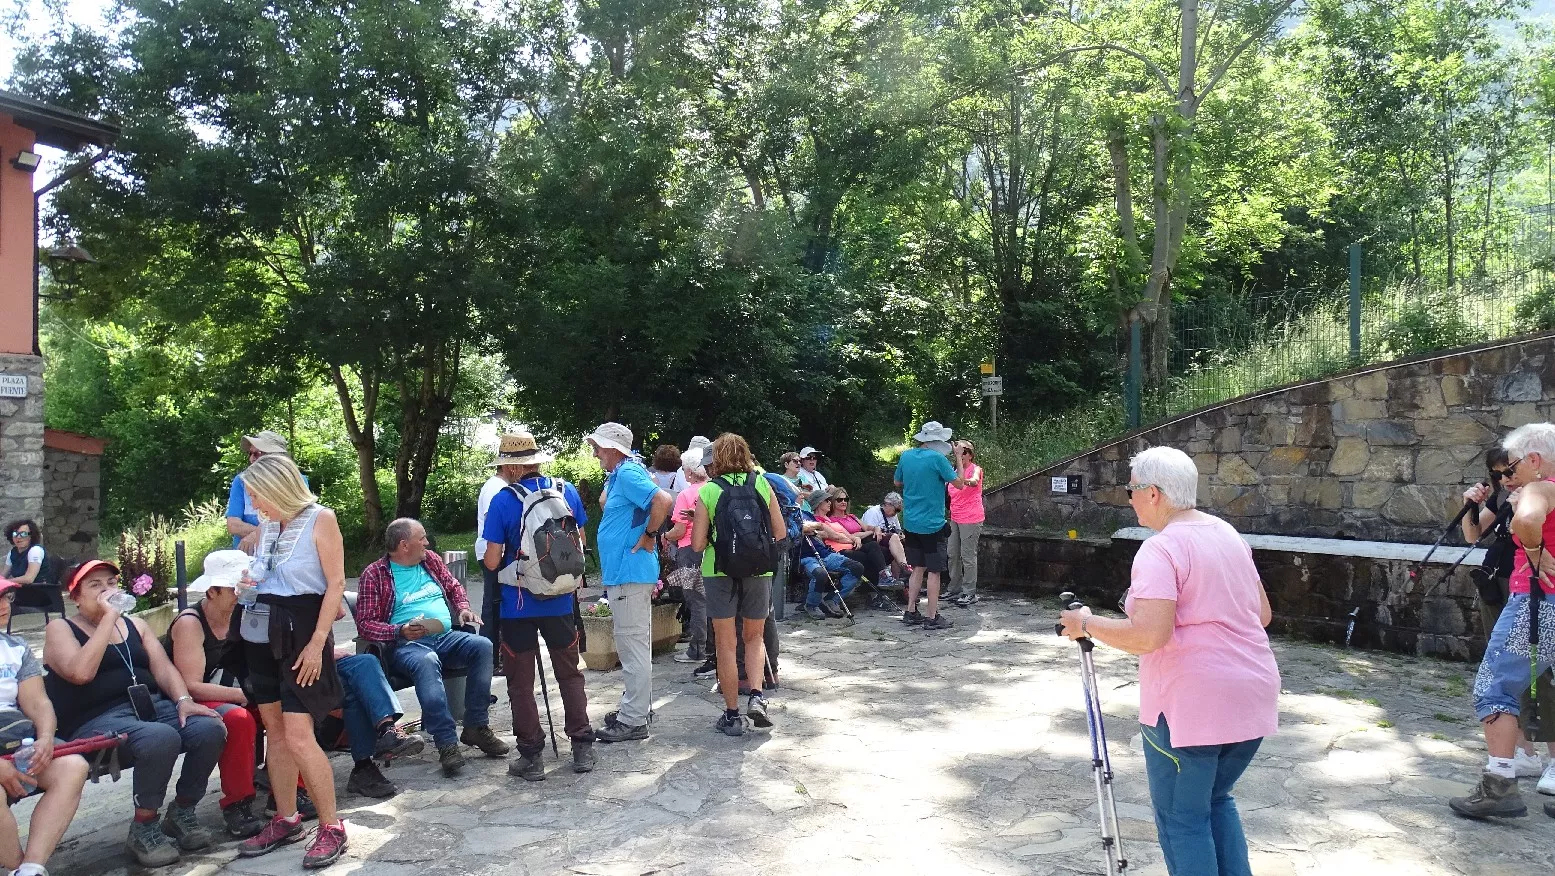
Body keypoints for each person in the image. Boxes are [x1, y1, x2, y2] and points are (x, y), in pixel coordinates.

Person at [1059, 445, 1279, 876]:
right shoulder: (1227, 534)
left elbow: (1147, 636)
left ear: (1154, 493)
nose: (1130, 499)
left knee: (1183, 818)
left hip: (1191, 707)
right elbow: (1263, 614)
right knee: (1216, 800)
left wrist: (1086, 623)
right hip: (1251, 696)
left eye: (1132, 491)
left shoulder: (1160, 550)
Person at [42, 560, 225, 868]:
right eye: (95, 585)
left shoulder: (135, 625)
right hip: (97, 720)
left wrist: (183, 699)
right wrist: (107, 620)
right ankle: (144, 826)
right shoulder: (61, 628)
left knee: (208, 728)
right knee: (160, 738)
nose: (107, 590)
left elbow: (163, 668)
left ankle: (182, 811)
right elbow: (80, 673)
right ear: (76, 596)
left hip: (148, 708)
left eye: (111, 583)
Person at [227, 453, 348, 868]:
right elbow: (265, 576)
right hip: (261, 630)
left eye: (258, 495)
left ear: (278, 487)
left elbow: (335, 584)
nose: (254, 504)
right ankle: (286, 817)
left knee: (299, 735)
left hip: (301, 632)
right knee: (275, 733)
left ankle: (332, 826)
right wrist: (246, 584)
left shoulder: (321, 519)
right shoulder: (267, 527)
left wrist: (318, 643)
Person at [1451, 422, 1555, 820]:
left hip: (1538, 600)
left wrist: (1533, 547)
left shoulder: (1539, 487)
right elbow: (1475, 532)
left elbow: (1528, 520)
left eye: (1511, 469)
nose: (1507, 478)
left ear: (1533, 461)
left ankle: (1499, 785)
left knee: (1495, 687)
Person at [479, 432, 596, 780]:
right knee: (570, 674)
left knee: (520, 682)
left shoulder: (503, 500)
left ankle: (531, 756)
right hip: (560, 599)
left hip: (518, 605)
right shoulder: (566, 490)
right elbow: (581, 542)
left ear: (512, 466)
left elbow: (490, 560)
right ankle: (582, 747)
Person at [356, 518, 508, 777]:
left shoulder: (430, 561)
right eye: (422, 538)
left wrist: (462, 608)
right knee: (427, 661)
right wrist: (399, 630)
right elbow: (365, 624)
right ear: (404, 545)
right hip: (407, 644)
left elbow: (454, 586)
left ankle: (476, 727)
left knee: (483, 646)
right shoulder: (375, 574)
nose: (427, 542)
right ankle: (447, 743)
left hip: (445, 636)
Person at [166, 550, 269, 839]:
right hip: (194, 698)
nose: (242, 593)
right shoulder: (190, 623)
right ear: (212, 591)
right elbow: (190, 685)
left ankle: (288, 789)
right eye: (234, 588)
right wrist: (243, 694)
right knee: (238, 719)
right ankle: (237, 804)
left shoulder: (245, 613)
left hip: (241, 689)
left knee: (287, 708)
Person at [691, 433, 786, 736]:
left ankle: (732, 714)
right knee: (754, 637)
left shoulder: (708, 490)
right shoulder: (761, 482)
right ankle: (757, 697)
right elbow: (780, 531)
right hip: (759, 569)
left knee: (725, 644)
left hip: (719, 571)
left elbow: (695, 544)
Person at [586, 422, 673, 743]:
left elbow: (662, 500)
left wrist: (650, 535)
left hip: (629, 571)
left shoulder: (628, 473)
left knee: (631, 646)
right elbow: (610, 502)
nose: (595, 453)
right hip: (630, 571)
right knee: (636, 644)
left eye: (597, 447)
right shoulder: (624, 472)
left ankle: (634, 719)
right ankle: (637, 708)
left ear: (611, 447)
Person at [0, 576, 89, 876]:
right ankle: (15, 867)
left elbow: (38, 703)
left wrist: (46, 737)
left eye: (6, 598)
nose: (3, 606)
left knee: (73, 766)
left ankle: (31, 868)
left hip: (13, 739)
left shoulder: (16, 647)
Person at [893, 421, 966, 631]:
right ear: (938, 441)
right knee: (934, 571)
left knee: (917, 567)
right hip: (933, 524)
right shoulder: (938, 459)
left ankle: (910, 611)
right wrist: (958, 458)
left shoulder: (906, 456)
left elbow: (897, 482)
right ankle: (932, 616)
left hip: (912, 522)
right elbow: (960, 483)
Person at [475, 435, 530, 671]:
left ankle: (494, 656)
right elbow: (493, 527)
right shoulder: (496, 488)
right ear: (510, 466)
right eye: (523, 465)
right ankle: (488, 658)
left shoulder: (502, 487)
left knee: (497, 604)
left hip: (499, 554)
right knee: (493, 606)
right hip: (493, 555)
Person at [666, 450, 710, 666]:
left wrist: (663, 536)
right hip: (710, 549)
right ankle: (711, 646)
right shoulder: (713, 489)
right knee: (711, 598)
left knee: (696, 599)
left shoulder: (686, 495)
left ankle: (698, 649)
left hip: (690, 550)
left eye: (683, 469)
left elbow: (680, 530)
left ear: (690, 472)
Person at [797, 495, 864, 621]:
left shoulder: (807, 514)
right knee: (820, 574)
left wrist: (814, 530)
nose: (830, 502)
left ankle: (832, 599)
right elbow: (797, 530)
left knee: (856, 567)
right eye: (827, 500)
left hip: (825, 553)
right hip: (806, 556)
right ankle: (812, 605)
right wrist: (812, 528)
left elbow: (824, 533)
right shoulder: (789, 516)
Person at [225, 430, 289, 553]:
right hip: (246, 556)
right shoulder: (242, 481)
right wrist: (261, 533)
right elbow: (233, 524)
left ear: (276, 456)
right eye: (250, 453)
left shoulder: (294, 480)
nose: (251, 459)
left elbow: (294, 523)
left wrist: (257, 535)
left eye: (257, 453)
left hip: (282, 554)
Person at [945, 440, 985, 607]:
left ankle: (969, 592)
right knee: (952, 553)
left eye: (961, 452)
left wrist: (963, 480)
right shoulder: (954, 470)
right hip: (955, 516)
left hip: (971, 518)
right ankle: (954, 588)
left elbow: (975, 481)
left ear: (969, 454)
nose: (958, 455)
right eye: (956, 452)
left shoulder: (975, 469)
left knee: (967, 556)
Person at [861, 492, 909, 575]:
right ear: (888, 504)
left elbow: (898, 530)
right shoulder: (874, 512)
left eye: (899, 511)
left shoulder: (893, 515)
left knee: (902, 543)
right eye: (896, 510)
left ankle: (896, 580)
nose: (896, 513)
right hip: (871, 541)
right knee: (893, 538)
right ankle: (904, 566)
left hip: (887, 541)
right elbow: (868, 532)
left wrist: (901, 536)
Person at [2, 522, 46, 587]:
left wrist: (6, 582)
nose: (18, 537)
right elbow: (4, 575)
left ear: (31, 536)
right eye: (15, 534)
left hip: (41, 591)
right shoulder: (12, 552)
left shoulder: (35, 550)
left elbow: (29, 579)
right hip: (21, 591)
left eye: (23, 534)